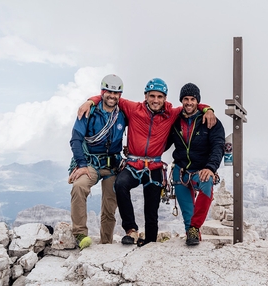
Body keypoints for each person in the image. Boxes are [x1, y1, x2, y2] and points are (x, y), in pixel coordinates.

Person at [78, 78, 216, 247]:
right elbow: (112, 97)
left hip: (154, 166)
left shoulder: (172, 113)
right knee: (120, 185)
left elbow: (190, 105)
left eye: (159, 96)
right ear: (146, 96)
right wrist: (91, 101)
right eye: (152, 96)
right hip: (133, 164)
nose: (156, 100)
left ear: (165, 98)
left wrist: (208, 109)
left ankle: (150, 240)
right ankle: (131, 230)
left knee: (152, 209)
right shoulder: (133, 108)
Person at [68, 74, 126, 250]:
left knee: (110, 205)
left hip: (112, 165)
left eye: (116, 93)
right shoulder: (89, 111)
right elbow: (76, 139)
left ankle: (106, 242)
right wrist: (81, 165)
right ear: (102, 92)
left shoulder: (123, 114)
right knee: (79, 187)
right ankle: (80, 234)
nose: (112, 96)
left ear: (120, 95)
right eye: (109, 92)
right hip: (90, 163)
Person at [166, 83, 225, 246]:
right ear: (181, 100)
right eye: (186, 99)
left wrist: (211, 167)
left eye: (193, 99)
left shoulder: (210, 121)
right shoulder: (175, 121)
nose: (189, 102)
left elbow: (218, 145)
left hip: (202, 170)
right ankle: (192, 236)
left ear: (197, 101)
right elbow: (162, 141)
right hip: (181, 171)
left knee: (206, 186)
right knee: (188, 215)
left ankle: (194, 228)